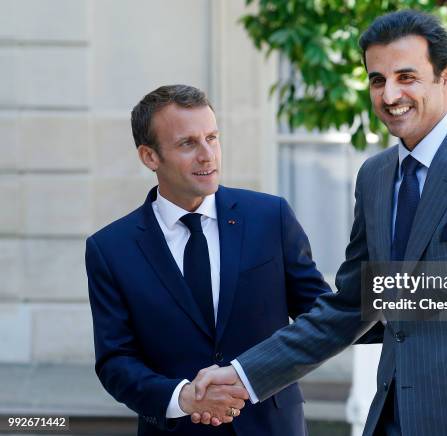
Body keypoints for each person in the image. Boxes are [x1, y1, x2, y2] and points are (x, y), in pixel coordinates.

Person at [191, 10, 447, 436]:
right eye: (377, 80)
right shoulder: (376, 177)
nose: (389, 95)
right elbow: (351, 305)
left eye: (407, 77)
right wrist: (244, 374)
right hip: (392, 419)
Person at [85, 84, 330, 435]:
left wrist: (411, 295)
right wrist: (183, 397)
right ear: (150, 157)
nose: (207, 155)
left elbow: (324, 315)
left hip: (271, 426)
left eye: (212, 138)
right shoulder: (110, 249)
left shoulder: (269, 217)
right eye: (188, 143)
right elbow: (115, 361)